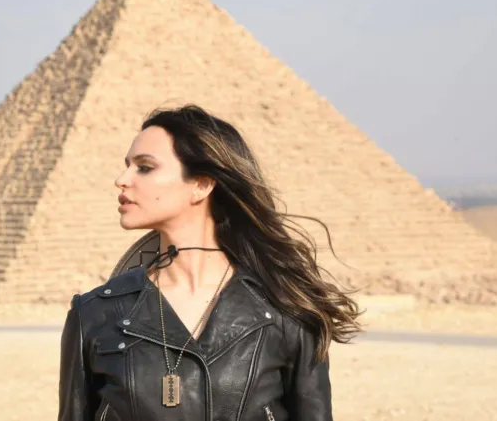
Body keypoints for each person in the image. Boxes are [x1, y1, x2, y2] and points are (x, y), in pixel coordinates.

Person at [58, 104, 362, 421]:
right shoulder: (93, 314)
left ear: (201, 184)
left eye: (144, 167)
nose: (121, 180)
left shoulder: (286, 309)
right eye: (127, 166)